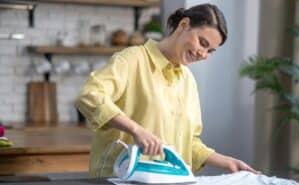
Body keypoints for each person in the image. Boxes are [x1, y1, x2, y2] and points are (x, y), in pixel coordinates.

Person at [76, 3, 258, 177]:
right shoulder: (132, 60)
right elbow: (90, 95)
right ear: (184, 25)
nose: (203, 54)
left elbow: (188, 143)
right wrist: (136, 130)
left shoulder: (187, 81)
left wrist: (226, 162)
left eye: (210, 51)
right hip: (118, 179)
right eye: (202, 43)